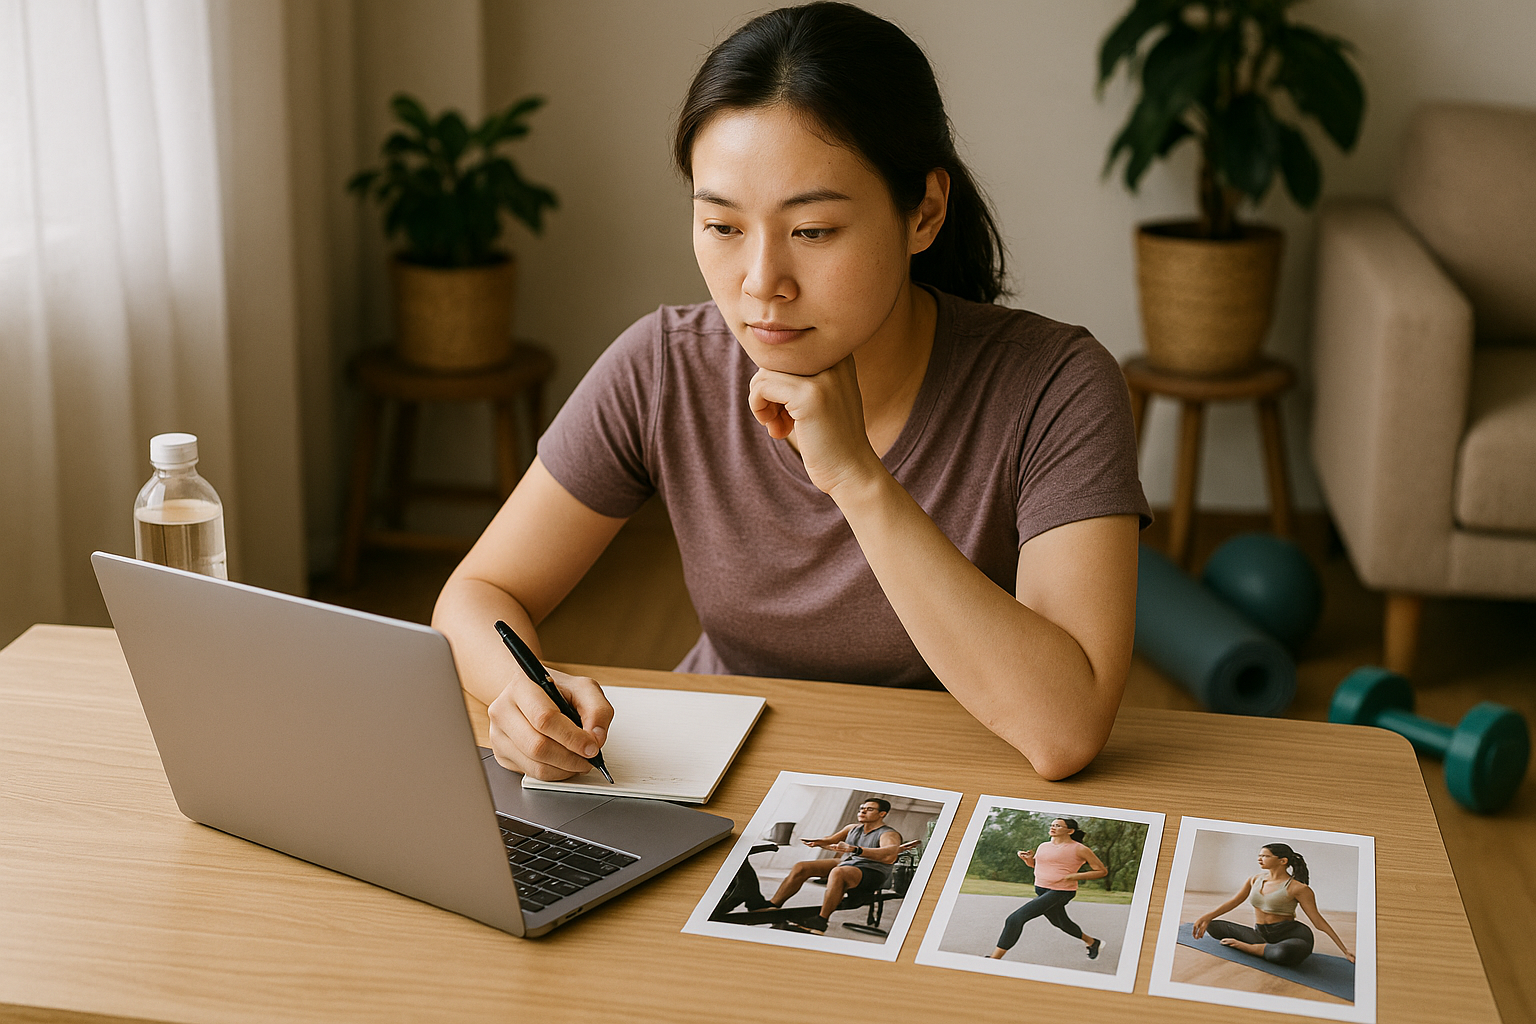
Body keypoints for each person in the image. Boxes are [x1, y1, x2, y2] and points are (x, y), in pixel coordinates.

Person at [431, 2, 1150, 784]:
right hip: (719, 773)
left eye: (812, 232)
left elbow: (1064, 728)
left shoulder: (1055, 385)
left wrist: (856, 476)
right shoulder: (666, 365)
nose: (760, 282)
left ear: (924, 213)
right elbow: (478, 592)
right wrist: (524, 697)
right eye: (723, 226)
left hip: (953, 778)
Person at [765, 798, 919, 934]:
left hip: (873, 870)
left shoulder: (888, 834)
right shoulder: (852, 828)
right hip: (849, 862)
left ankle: (821, 921)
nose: (863, 811)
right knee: (802, 867)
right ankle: (773, 905)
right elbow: (831, 841)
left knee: (838, 872)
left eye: (869, 809)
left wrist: (855, 850)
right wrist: (818, 843)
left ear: (882, 814)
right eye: (861, 808)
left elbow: (889, 854)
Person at [1191, 842, 1355, 967]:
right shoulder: (1255, 879)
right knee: (1213, 926)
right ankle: (1263, 948)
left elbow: (1318, 921)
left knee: (1283, 952)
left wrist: (1345, 951)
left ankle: (1250, 948)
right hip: (1262, 933)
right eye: (1259, 855)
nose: (1259, 859)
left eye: (1265, 856)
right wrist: (1207, 916)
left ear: (1282, 861)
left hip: (1291, 936)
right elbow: (1234, 901)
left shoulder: (1299, 888)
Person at [987, 817, 1108, 960]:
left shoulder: (1079, 849)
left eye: (1058, 826)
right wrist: (1027, 859)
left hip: (1061, 892)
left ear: (1070, 831)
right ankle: (1092, 942)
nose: (1053, 827)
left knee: (1015, 919)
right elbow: (1035, 865)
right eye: (1052, 825)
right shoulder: (1043, 846)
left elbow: (1101, 871)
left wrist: (1074, 876)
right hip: (1041, 889)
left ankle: (994, 959)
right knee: (1061, 923)